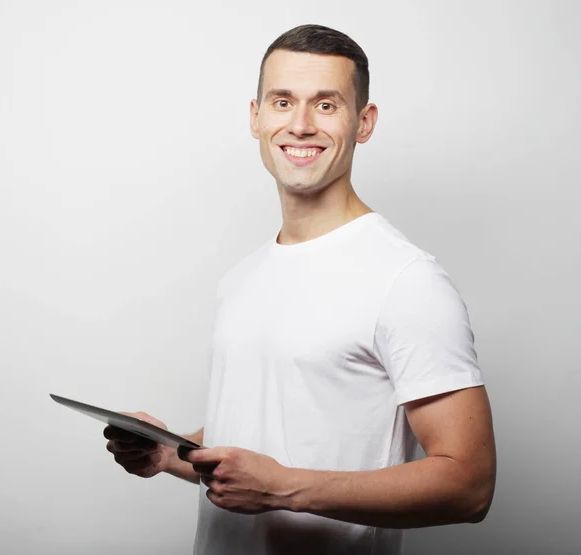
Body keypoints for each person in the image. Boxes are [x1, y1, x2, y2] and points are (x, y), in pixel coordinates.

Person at [104, 24, 496, 555]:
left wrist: (283, 488)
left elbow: (469, 486)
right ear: (256, 117)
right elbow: (266, 442)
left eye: (327, 105)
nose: (301, 125)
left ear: (365, 122)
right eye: (282, 101)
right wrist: (167, 452)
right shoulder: (242, 277)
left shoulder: (407, 281)